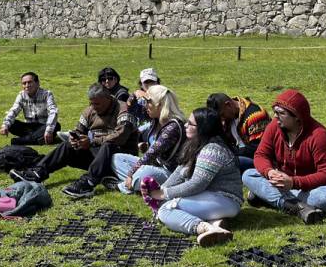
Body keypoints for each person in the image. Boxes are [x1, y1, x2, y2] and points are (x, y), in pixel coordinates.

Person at [9, 83, 137, 199]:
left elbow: (121, 137)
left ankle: (88, 182)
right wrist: (75, 138)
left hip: (121, 159)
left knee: (108, 145)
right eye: (91, 103)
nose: (93, 107)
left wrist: (92, 142)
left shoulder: (124, 109)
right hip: (98, 157)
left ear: (108, 98)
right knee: (67, 145)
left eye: (97, 104)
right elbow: (78, 130)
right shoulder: (90, 111)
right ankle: (38, 173)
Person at [142, 108, 243, 246]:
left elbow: (197, 184)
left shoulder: (212, 149)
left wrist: (163, 194)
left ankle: (204, 228)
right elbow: (179, 173)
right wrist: (161, 190)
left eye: (190, 124)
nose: (185, 125)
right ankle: (216, 222)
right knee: (165, 203)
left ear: (203, 128)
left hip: (226, 199)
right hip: (212, 197)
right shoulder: (196, 144)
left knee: (166, 210)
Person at [242, 89, 326, 224]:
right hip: (283, 183)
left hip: (311, 188)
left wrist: (293, 182)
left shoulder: (319, 136)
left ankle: (267, 196)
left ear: (297, 117)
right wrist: (270, 172)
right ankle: (295, 207)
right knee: (248, 175)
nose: (275, 117)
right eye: (275, 112)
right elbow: (261, 155)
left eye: (281, 113)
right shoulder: (274, 127)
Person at [111, 85, 186, 194]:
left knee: (144, 173)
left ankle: (123, 185)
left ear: (159, 105)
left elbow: (151, 154)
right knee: (116, 158)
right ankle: (136, 184)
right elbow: (130, 108)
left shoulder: (173, 127)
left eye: (148, 102)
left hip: (169, 172)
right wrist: (135, 94)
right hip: (154, 164)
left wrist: (131, 173)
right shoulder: (155, 118)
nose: (145, 106)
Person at [206, 93, 270, 171]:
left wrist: (230, 152)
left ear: (228, 105)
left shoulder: (255, 116)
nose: (222, 119)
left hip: (258, 158)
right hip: (238, 154)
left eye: (222, 115)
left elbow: (257, 148)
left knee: (225, 162)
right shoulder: (229, 115)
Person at [0, 72, 61, 145]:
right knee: (12, 124)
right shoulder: (21, 95)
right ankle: (37, 139)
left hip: (42, 126)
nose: (27, 85)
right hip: (28, 127)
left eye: (29, 82)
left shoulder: (47, 94)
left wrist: (49, 131)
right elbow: (13, 111)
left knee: (56, 125)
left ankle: (21, 141)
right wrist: (5, 125)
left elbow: (53, 112)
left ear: (37, 83)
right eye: (24, 83)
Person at [125, 67, 162, 138]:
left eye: (152, 81)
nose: (150, 85)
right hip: (138, 128)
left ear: (157, 82)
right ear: (141, 84)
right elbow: (128, 106)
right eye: (146, 82)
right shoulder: (137, 97)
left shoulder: (162, 95)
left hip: (154, 127)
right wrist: (134, 94)